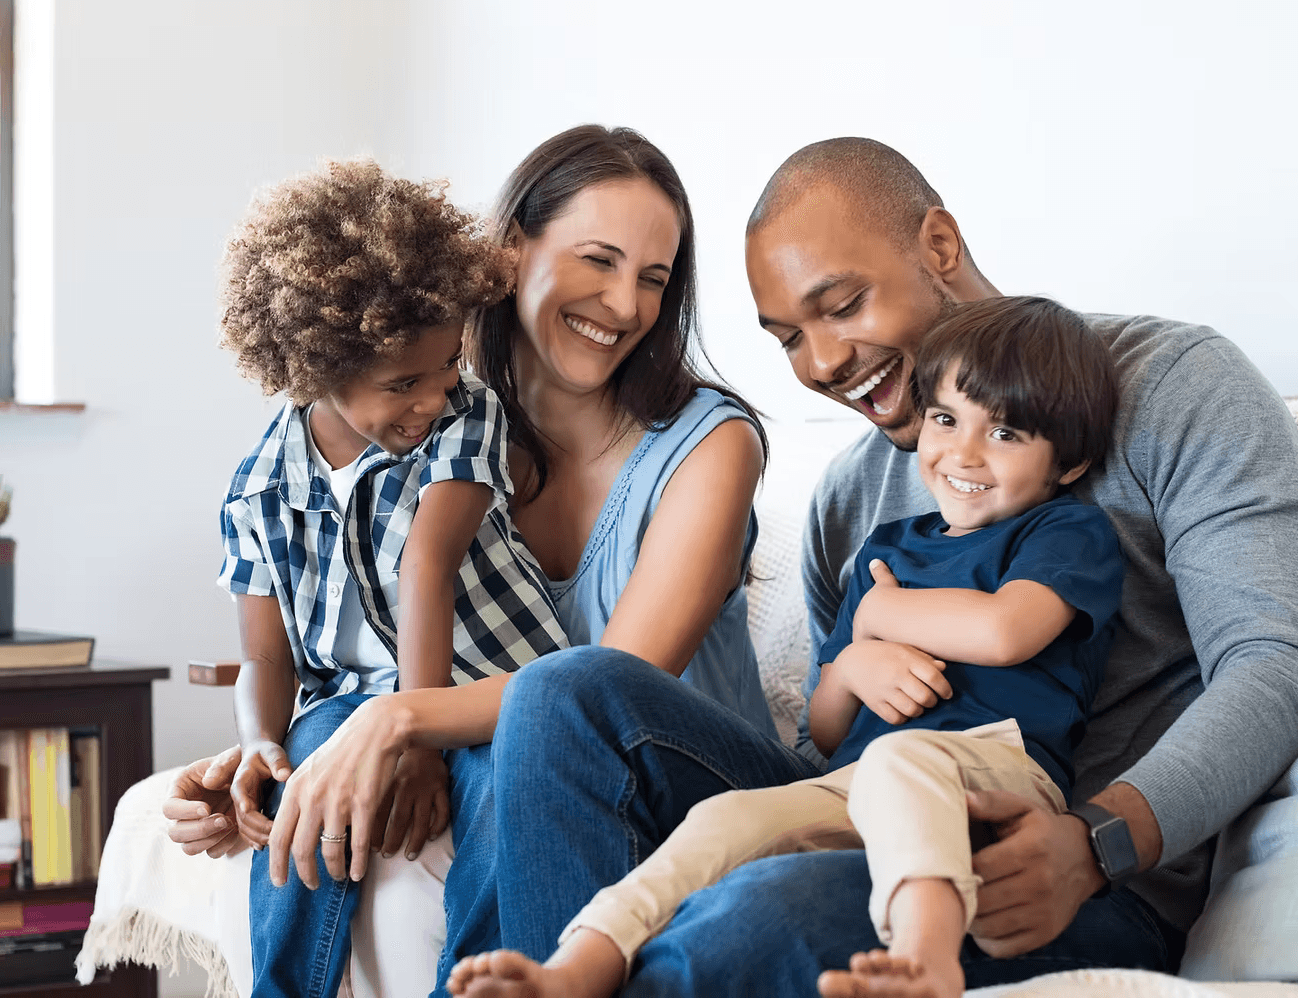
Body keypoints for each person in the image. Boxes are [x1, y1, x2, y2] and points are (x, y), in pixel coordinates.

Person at [466, 136, 1298, 997]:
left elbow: (1275, 666)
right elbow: (828, 743)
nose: (822, 364)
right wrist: (852, 667)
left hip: (1062, 869)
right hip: (875, 811)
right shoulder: (850, 499)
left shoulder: (1173, 385)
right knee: (563, 692)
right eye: (787, 340)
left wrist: (1097, 843)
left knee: (755, 913)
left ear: (939, 247)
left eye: (841, 305)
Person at [164, 125, 791, 998]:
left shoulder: (708, 446)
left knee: (536, 728)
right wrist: (266, 753)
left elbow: (610, 687)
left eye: (653, 279)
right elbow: (337, 630)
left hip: (679, 781)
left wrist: (397, 721)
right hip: (519, 752)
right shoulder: (433, 429)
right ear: (506, 256)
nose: (624, 305)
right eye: (597, 261)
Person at [447, 294, 1124, 998]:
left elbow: (1005, 630)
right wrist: (856, 658)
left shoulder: (1063, 533)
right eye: (946, 419)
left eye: (1006, 434)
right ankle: (577, 966)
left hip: (997, 773)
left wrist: (882, 614)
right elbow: (827, 729)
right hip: (854, 783)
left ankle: (927, 959)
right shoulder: (886, 549)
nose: (963, 453)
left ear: (1067, 463)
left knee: (902, 757)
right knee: (725, 819)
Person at [213, 159, 572, 998]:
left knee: (499, 794)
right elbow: (266, 658)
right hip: (349, 699)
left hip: (494, 687)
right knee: (307, 775)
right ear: (313, 368)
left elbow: (426, 564)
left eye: (446, 365)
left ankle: (480, 985)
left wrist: (412, 736)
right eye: (401, 383)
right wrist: (261, 743)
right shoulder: (258, 488)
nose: (432, 395)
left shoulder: (465, 415)